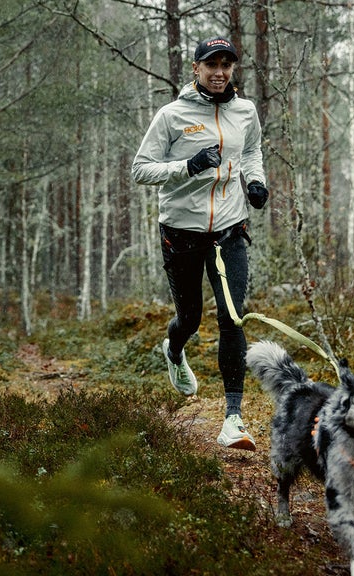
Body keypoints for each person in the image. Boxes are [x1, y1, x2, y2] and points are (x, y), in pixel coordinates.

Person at [131, 37, 268, 451]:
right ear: (196, 69)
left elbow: (252, 150)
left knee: (232, 317)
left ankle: (233, 419)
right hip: (181, 232)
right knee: (189, 319)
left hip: (229, 229)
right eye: (212, 64)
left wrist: (256, 181)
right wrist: (186, 167)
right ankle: (174, 350)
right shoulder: (172, 116)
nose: (220, 72)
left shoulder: (245, 111)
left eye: (226, 64)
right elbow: (141, 169)